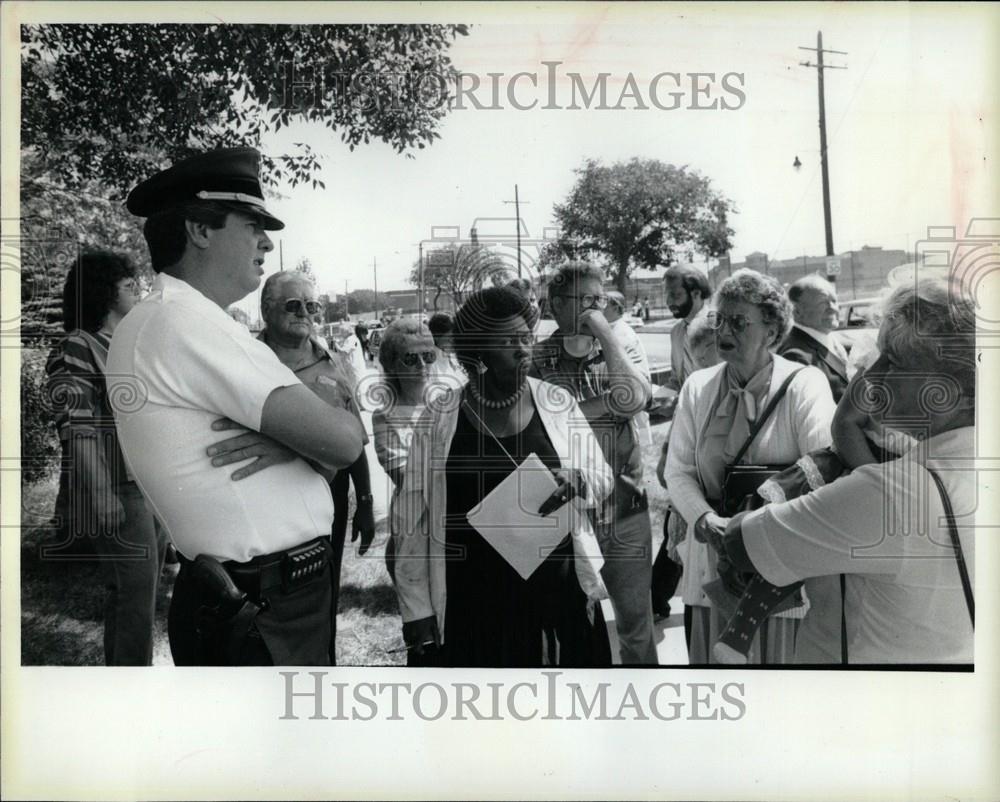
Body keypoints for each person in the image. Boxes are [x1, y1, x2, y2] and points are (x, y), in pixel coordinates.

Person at [107, 147, 365, 666]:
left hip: (257, 597)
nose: (266, 241)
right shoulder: (188, 323)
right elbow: (344, 440)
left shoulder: (177, 318)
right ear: (200, 229)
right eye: (251, 224)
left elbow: (336, 446)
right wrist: (299, 437)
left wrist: (287, 438)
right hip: (262, 606)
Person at [721, 276, 976, 664]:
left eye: (893, 360)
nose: (873, 376)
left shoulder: (895, 493)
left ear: (948, 391)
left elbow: (740, 543)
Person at [393, 287, 614, 667]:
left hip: (556, 599)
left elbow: (602, 475)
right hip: (473, 604)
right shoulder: (438, 418)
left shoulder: (556, 403)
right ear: (476, 351)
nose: (523, 349)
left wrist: (578, 480)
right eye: (508, 341)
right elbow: (412, 520)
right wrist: (416, 609)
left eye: (525, 337)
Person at [664, 268, 837, 664]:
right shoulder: (698, 387)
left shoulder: (804, 383)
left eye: (739, 322)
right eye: (720, 319)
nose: (725, 329)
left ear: (773, 332)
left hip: (779, 571)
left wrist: (757, 528)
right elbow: (677, 472)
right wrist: (704, 519)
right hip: (712, 561)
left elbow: (825, 464)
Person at [44, 250, 167, 665]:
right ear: (102, 291)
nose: (137, 287)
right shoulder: (79, 344)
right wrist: (101, 495)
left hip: (147, 486)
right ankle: (131, 691)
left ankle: (122, 680)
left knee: (135, 595)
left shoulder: (127, 345)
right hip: (117, 487)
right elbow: (76, 427)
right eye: (127, 282)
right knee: (135, 597)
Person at [531, 262, 657, 665]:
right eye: (582, 300)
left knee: (637, 628)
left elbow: (635, 400)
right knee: (574, 629)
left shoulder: (618, 345)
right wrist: (606, 406)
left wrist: (604, 332)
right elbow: (545, 426)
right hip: (571, 518)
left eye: (599, 300)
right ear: (554, 305)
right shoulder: (536, 359)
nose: (593, 309)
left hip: (626, 508)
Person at [256, 270, 375, 664]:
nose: (305, 313)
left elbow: (355, 435)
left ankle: (324, 667)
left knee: (325, 589)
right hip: (267, 496)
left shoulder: (334, 361)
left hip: (329, 497)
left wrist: (368, 501)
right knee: (270, 601)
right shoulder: (246, 360)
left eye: (313, 305)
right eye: (293, 305)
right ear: (266, 310)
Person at [652, 313, 721, 619]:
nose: (704, 355)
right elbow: (671, 469)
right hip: (700, 510)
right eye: (701, 350)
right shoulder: (699, 389)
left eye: (709, 347)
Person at [371, 318, 437, 594]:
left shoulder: (454, 400)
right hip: (417, 524)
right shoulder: (385, 416)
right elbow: (405, 477)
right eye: (411, 358)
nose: (422, 365)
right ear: (392, 364)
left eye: (428, 356)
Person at [779, 274, 849, 402]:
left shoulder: (833, 341)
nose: (833, 309)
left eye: (834, 301)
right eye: (823, 303)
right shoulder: (795, 356)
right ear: (797, 312)